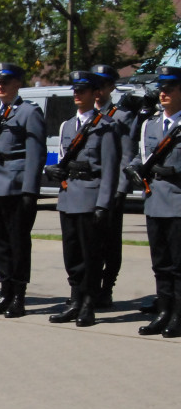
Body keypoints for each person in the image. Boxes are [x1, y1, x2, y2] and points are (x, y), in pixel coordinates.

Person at [45, 71, 121, 327]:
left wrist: (103, 203)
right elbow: (64, 160)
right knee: (72, 254)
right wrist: (53, 170)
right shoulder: (67, 125)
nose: (77, 95)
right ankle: (75, 300)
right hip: (69, 197)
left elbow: (110, 169)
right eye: (75, 91)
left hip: (90, 196)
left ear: (95, 93)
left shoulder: (106, 126)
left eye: (83, 91)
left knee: (91, 255)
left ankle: (89, 303)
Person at [0, 62, 45, 318]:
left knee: (17, 242)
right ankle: (4, 292)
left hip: (15, 184)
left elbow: (36, 154)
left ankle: (18, 296)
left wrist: (30, 191)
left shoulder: (28, 112)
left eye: (5, 82)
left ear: (17, 84)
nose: (0, 86)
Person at [129, 65, 181, 337]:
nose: (163, 93)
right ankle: (163, 311)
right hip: (154, 201)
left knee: (178, 264)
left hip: (178, 202)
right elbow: (142, 156)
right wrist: (133, 168)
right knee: (160, 263)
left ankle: (178, 314)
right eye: (161, 89)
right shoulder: (150, 124)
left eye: (170, 88)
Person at [89, 64, 134, 308]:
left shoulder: (121, 116)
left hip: (112, 190)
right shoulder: (85, 114)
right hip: (90, 189)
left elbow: (126, 157)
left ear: (111, 87)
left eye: (103, 85)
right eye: (94, 85)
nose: (98, 91)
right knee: (90, 242)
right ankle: (89, 288)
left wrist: (120, 191)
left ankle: (106, 288)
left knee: (110, 243)